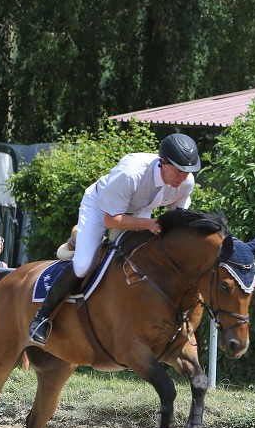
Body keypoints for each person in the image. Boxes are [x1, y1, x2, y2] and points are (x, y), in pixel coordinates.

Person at [28, 133, 201, 345]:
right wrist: (149, 224)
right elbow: (111, 220)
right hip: (100, 209)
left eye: (188, 171)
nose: (183, 177)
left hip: (140, 212)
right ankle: (42, 318)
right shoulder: (131, 175)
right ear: (163, 162)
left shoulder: (186, 183)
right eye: (179, 170)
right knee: (83, 265)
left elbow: (175, 220)